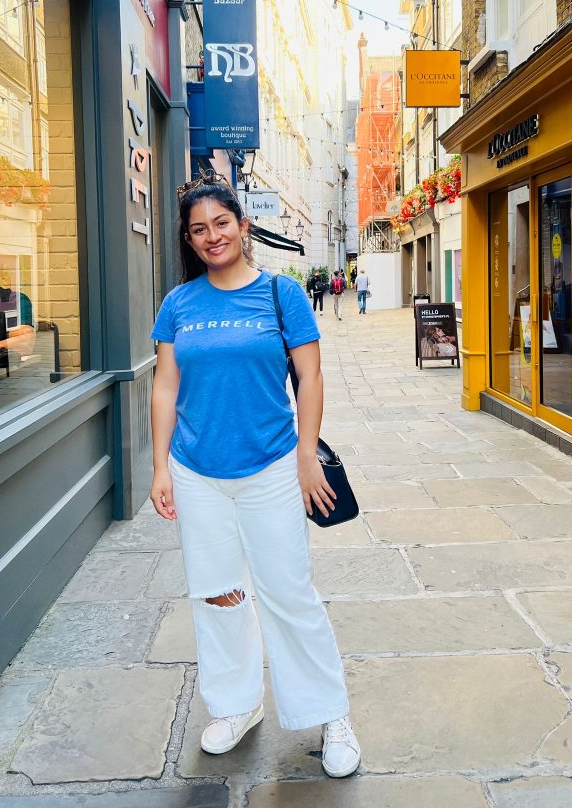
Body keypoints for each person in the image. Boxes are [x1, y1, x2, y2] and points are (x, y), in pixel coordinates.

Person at [149, 173, 360, 778]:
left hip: (270, 466)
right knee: (218, 594)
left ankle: (331, 713)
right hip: (196, 471)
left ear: (243, 226)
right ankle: (236, 706)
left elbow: (310, 379)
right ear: (189, 241)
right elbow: (166, 385)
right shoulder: (178, 304)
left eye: (221, 223)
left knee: (288, 594)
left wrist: (303, 455)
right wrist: (161, 466)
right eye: (198, 230)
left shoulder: (280, 293)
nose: (212, 236)